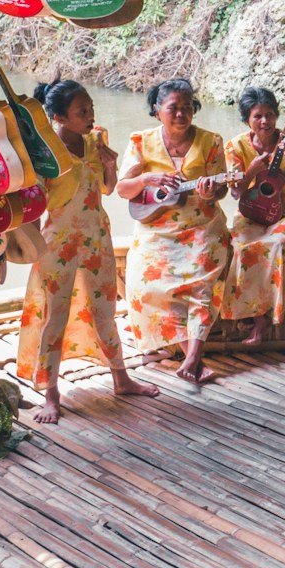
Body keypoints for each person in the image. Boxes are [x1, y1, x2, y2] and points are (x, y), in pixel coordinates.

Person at [16, 80, 158, 422]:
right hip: (58, 242)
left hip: (97, 237)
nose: (90, 115)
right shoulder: (45, 152)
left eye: (91, 108)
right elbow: (34, 205)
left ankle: (121, 378)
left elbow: (108, 189)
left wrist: (109, 165)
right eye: (82, 111)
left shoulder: (98, 140)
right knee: (56, 316)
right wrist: (30, 247)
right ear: (59, 116)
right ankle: (51, 394)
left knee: (105, 310)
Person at [116, 78, 230, 385]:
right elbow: (123, 189)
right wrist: (148, 179)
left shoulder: (212, 141)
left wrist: (210, 193)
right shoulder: (140, 141)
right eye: (173, 108)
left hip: (202, 226)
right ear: (157, 111)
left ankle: (194, 356)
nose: (181, 113)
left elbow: (220, 190)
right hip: (156, 226)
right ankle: (188, 352)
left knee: (202, 285)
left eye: (188, 107)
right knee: (143, 284)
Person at [222, 87, 285, 346]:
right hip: (251, 211)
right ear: (247, 119)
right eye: (257, 116)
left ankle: (263, 317)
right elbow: (236, 193)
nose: (265, 121)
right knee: (242, 247)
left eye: (270, 114)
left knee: (275, 244)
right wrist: (250, 171)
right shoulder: (235, 146)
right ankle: (253, 315)